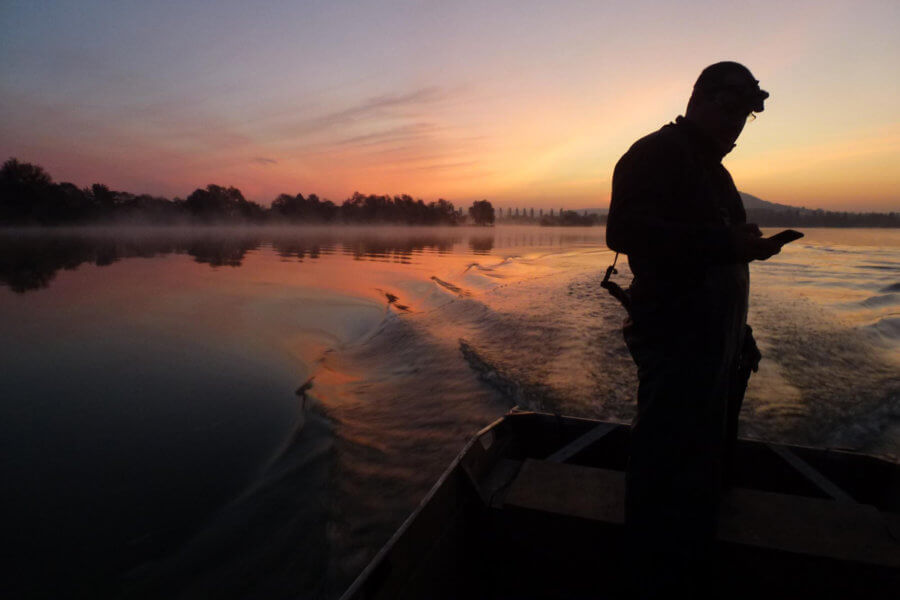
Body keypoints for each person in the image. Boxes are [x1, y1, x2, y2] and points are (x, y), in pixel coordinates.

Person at [605, 62, 781, 598]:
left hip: (718, 349)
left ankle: (691, 566)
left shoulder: (718, 175)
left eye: (745, 116)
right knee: (663, 469)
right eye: (728, 109)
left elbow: (717, 254)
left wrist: (739, 333)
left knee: (704, 473)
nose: (735, 124)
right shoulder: (654, 154)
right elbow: (625, 229)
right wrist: (725, 244)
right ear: (697, 99)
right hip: (677, 347)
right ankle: (650, 577)